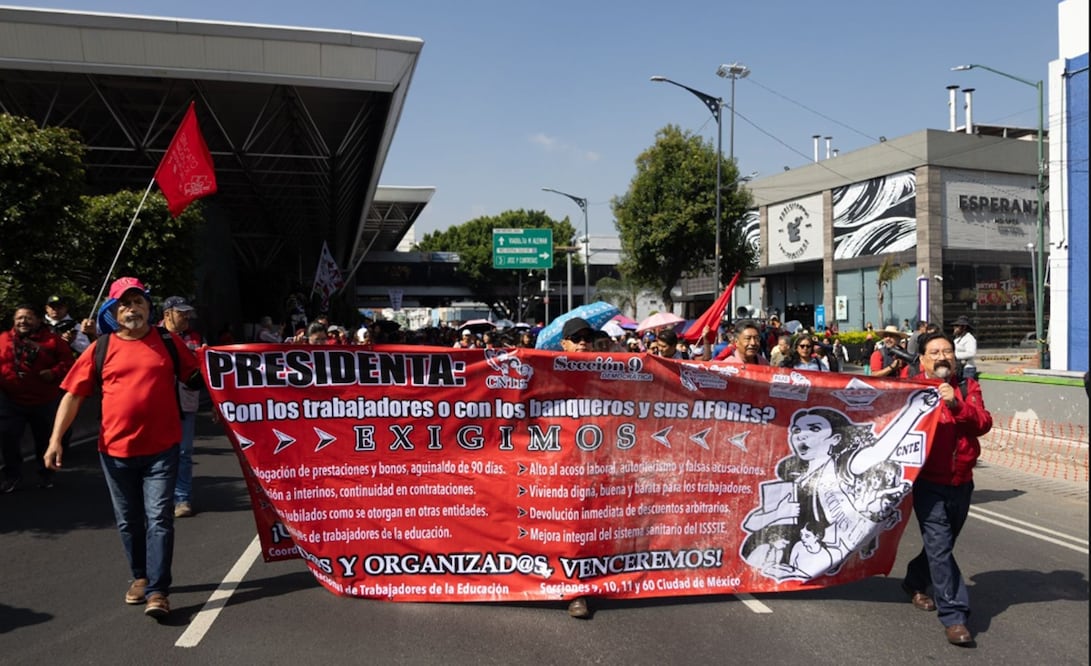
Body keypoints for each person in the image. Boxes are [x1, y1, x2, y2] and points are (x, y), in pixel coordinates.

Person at [44, 277, 202, 620]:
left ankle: (158, 590)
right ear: (114, 312)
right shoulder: (100, 349)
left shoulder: (167, 341)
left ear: (149, 308)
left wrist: (226, 378)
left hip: (162, 449)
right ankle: (140, 577)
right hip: (115, 453)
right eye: (124, 304)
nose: (132, 309)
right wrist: (55, 440)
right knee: (128, 521)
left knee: (159, 518)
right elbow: (73, 395)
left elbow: (196, 376)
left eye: (138, 302)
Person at [900, 331, 992, 647]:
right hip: (927, 483)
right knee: (939, 546)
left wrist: (956, 404)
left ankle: (914, 580)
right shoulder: (909, 389)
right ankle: (954, 616)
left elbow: (983, 423)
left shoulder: (967, 387)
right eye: (935, 352)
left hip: (962, 482)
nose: (942, 357)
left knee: (942, 544)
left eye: (947, 351)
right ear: (922, 359)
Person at [1, 304, 73, 491]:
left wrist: (54, 372)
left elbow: (68, 363)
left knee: (44, 440)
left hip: (44, 401)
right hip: (11, 401)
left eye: (28, 317)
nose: (23, 321)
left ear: (38, 320)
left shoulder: (53, 341)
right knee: (8, 438)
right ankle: (11, 476)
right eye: (19, 318)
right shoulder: (3, 340)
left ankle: (46, 474)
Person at [160, 296, 202, 518]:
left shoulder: (194, 338)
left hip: (186, 402)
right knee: (158, 453)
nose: (186, 317)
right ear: (167, 314)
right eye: (181, 313)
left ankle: (182, 498)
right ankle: (160, 497)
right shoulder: (152, 336)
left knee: (184, 453)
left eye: (187, 313)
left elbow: (204, 370)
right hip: (157, 404)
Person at [951, 316, 978, 380]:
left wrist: (954, 355)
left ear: (964, 327)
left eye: (957, 326)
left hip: (968, 369)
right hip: (958, 367)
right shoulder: (957, 338)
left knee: (966, 385)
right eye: (955, 325)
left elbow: (971, 353)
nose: (954, 327)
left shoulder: (969, 338)